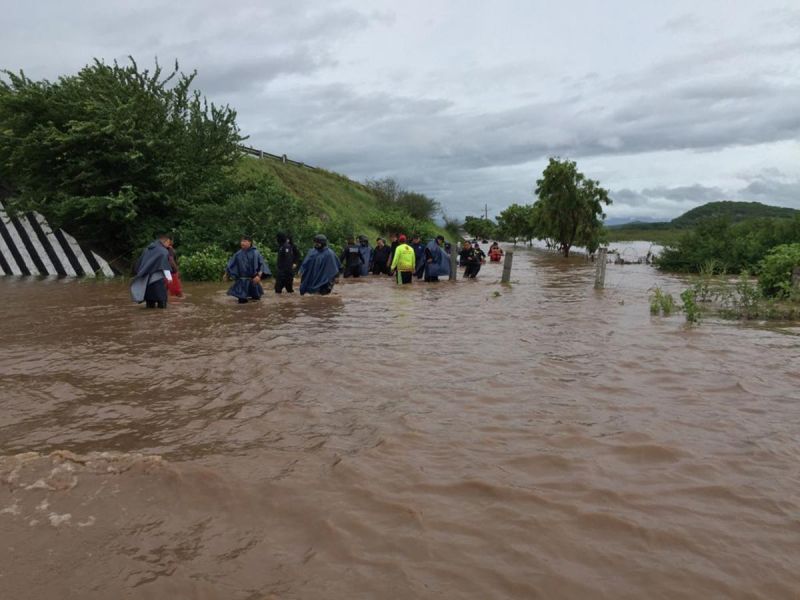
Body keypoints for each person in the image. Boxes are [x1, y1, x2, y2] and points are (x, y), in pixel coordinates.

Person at [225, 236, 271, 303]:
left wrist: (259, 276)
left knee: (256, 302)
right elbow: (231, 264)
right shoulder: (238, 254)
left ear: (249, 242)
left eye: (244, 241)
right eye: (241, 241)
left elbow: (262, 265)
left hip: (253, 280)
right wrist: (226, 274)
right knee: (242, 302)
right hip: (242, 281)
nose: (242, 243)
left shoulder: (256, 253)